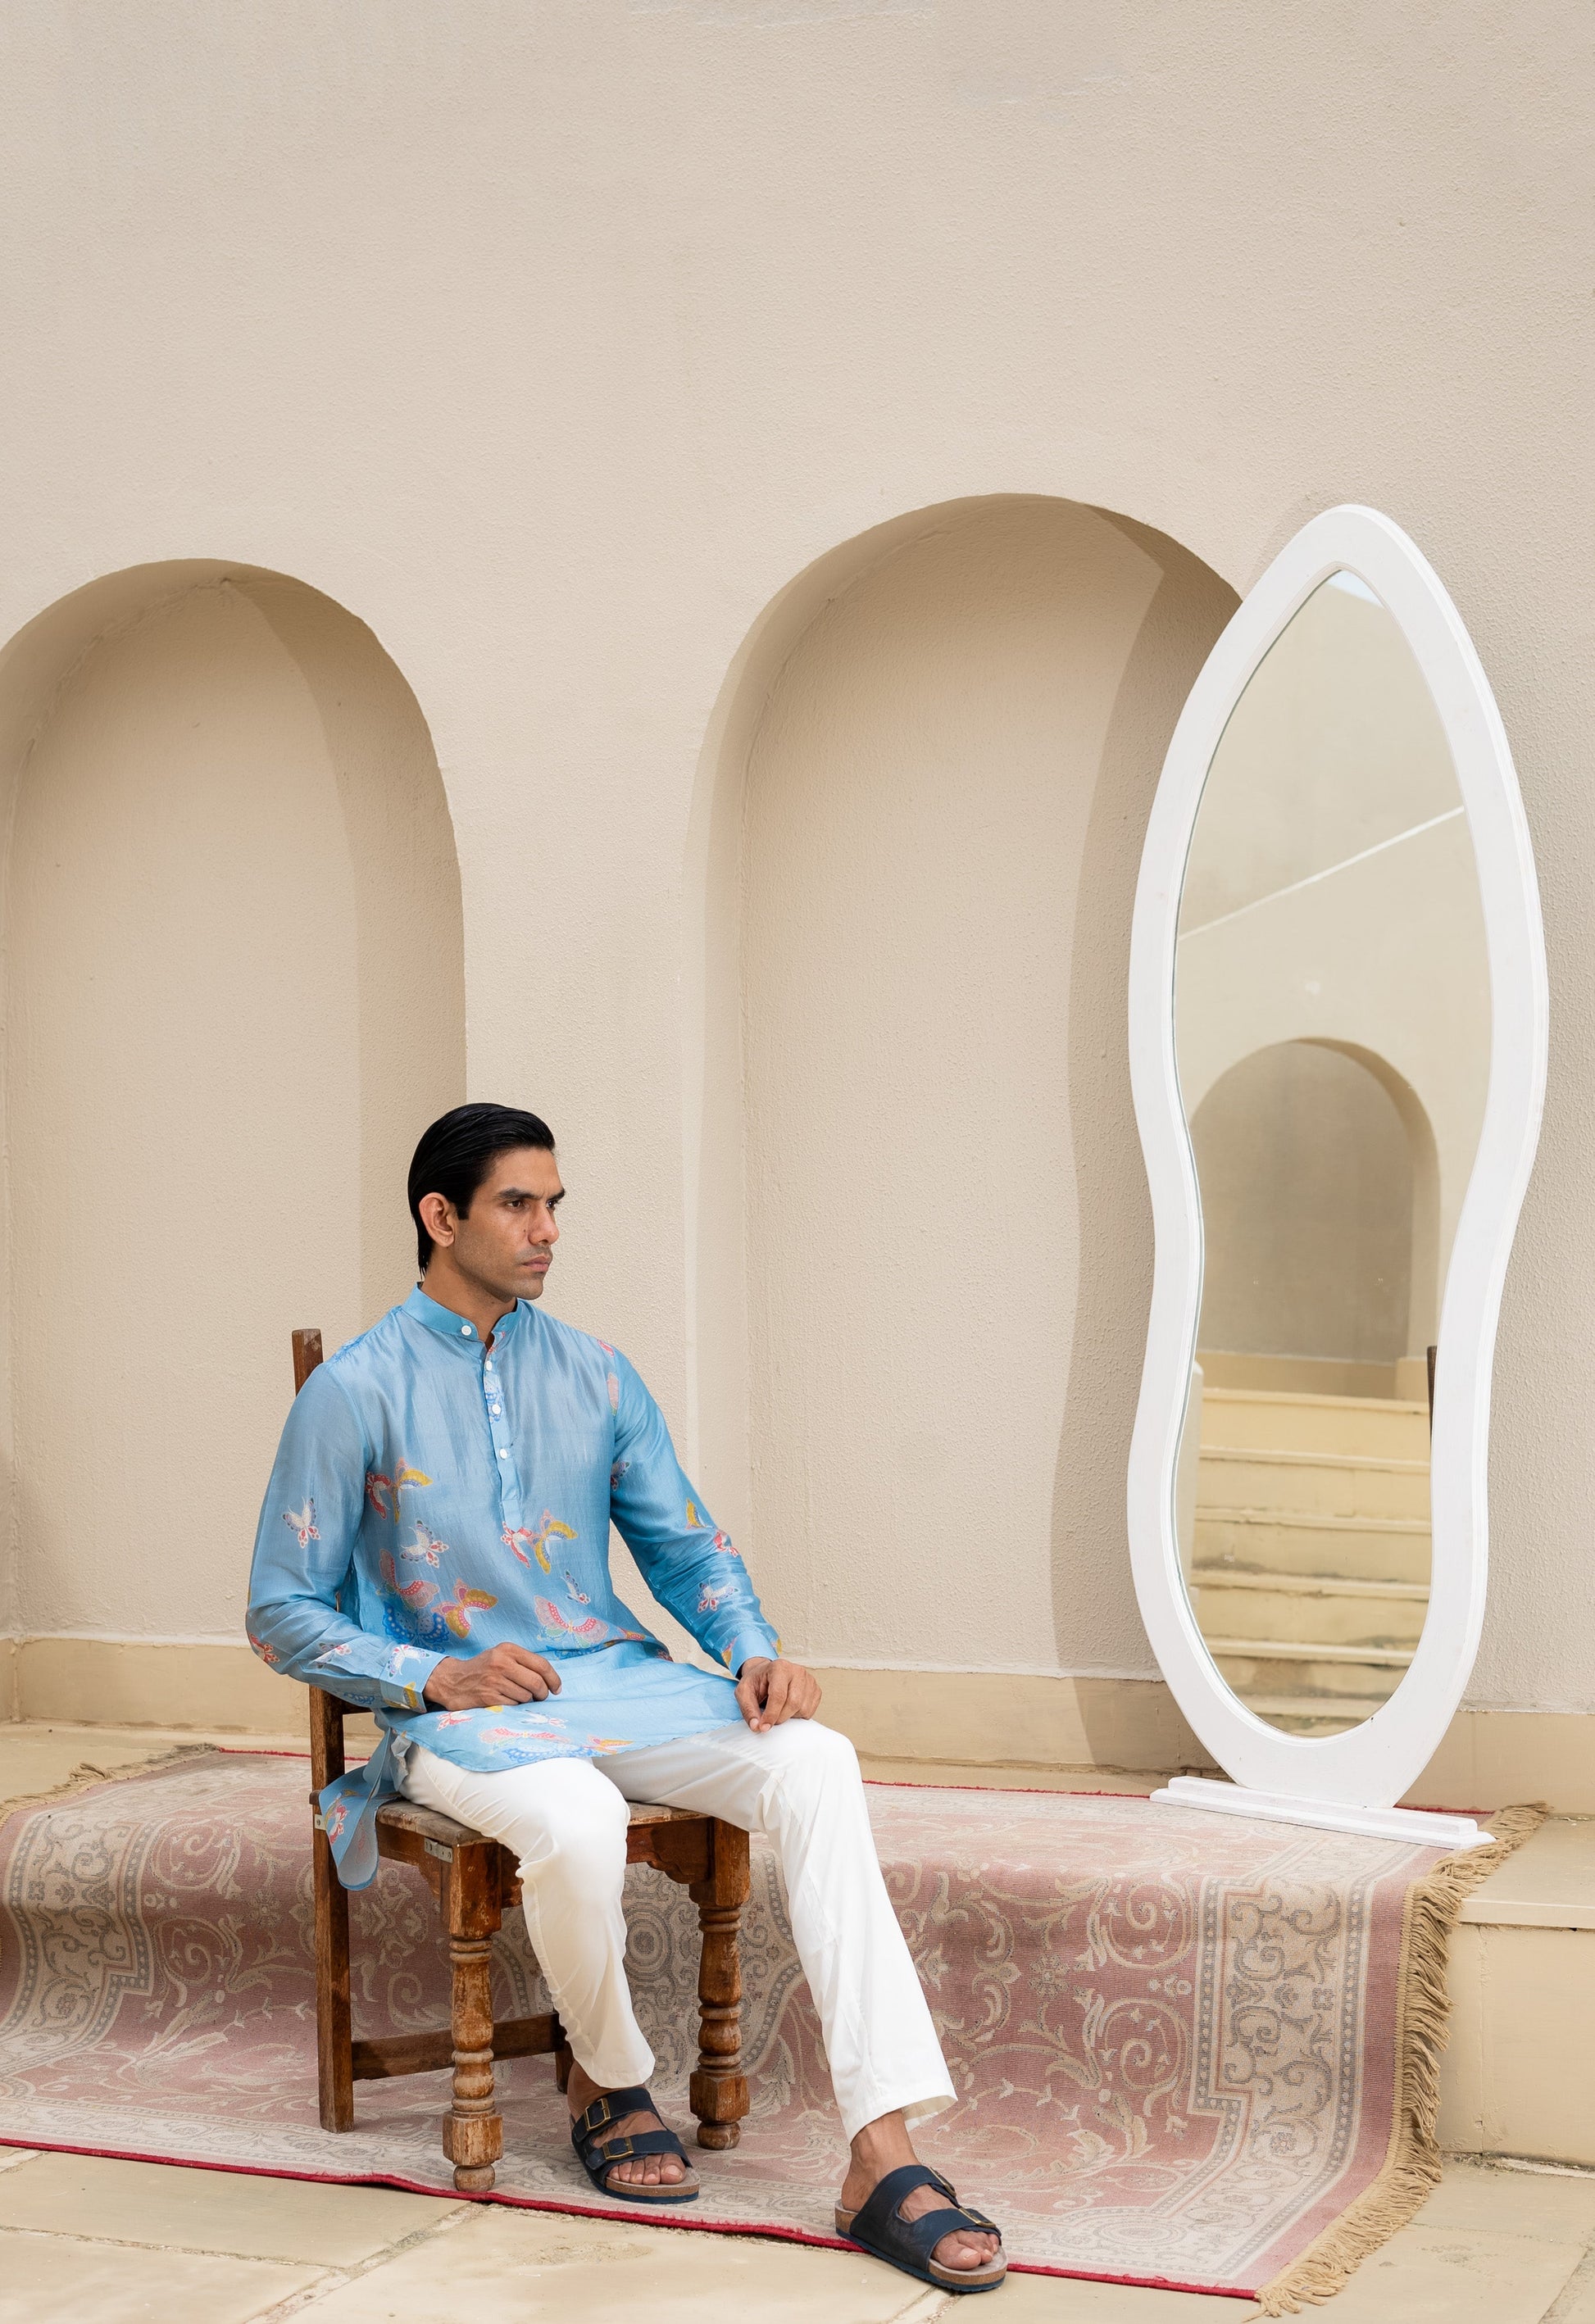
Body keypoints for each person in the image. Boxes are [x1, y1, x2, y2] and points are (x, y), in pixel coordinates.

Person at [247, 1103, 1004, 2294]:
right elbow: (278, 1609)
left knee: (816, 1759)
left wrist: (751, 1648)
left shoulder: (596, 1372)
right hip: (460, 1716)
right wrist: (430, 1671)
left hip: (621, 1685)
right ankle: (609, 2081)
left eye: (555, 1205)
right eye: (518, 1204)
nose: (548, 1230)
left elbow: (685, 1547)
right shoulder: (355, 1390)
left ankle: (882, 2150)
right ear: (439, 1218)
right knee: (577, 1820)